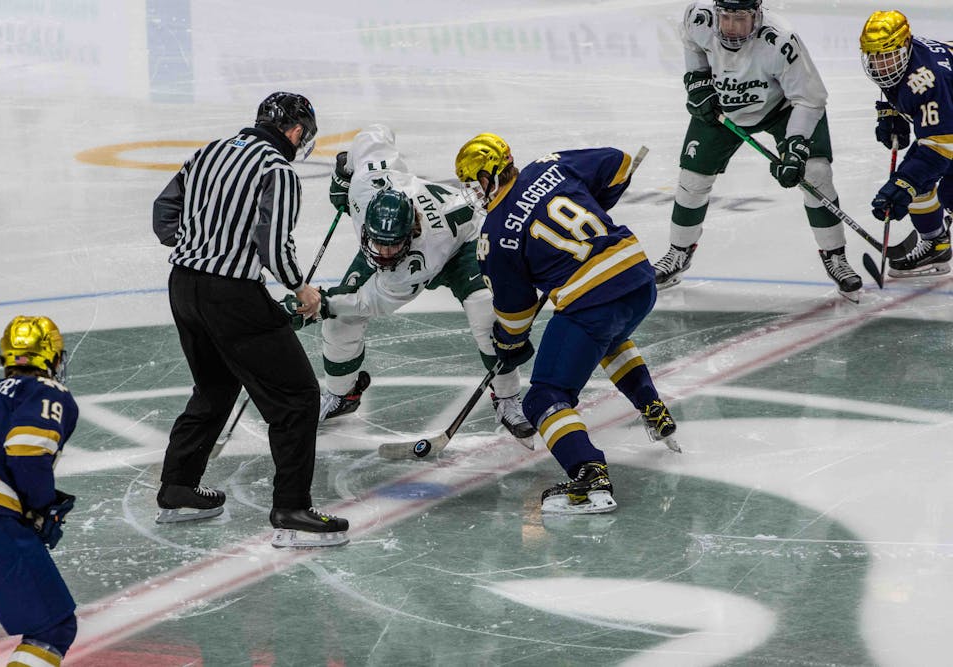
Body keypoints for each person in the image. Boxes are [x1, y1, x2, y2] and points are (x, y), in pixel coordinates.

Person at [152, 91, 348, 548]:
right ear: (295, 131)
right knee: (297, 398)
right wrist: (302, 289)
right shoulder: (277, 169)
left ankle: (178, 486)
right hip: (232, 296)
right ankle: (292, 509)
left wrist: (199, 247)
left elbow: (164, 212)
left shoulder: (209, 151)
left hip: (183, 287)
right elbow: (273, 245)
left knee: (215, 387)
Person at [452, 133, 679, 514]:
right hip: (638, 277)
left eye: (475, 182)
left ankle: (589, 476)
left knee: (544, 397)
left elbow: (516, 313)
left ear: (490, 175)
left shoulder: (495, 233)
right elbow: (619, 164)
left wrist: (507, 343)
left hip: (593, 300)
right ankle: (652, 407)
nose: (475, 191)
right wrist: (594, 200)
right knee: (607, 339)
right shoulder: (549, 166)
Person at [294, 124, 535, 442]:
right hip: (431, 227)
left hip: (465, 244)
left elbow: (370, 302)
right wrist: (346, 170)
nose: (383, 254)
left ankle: (507, 399)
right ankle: (342, 395)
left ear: (410, 234)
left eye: (393, 245)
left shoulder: (417, 262)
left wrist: (320, 304)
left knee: (486, 317)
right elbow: (375, 134)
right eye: (378, 243)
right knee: (340, 322)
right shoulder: (365, 187)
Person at [653, 0, 863, 302]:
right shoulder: (699, 19)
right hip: (723, 107)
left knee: (815, 173)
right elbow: (691, 42)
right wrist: (697, 79)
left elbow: (809, 98)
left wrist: (795, 149)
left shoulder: (780, 40)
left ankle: (836, 255)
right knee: (693, 179)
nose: (732, 28)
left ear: (758, 14)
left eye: (741, 19)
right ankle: (678, 252)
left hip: (782, 108)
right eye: (726, 17)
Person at [0, 316, 78, 666]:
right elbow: (27, 452)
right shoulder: (46, 391)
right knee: (52, 629)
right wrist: (40, 506)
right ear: (54, 357)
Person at [859, 10, 953, 278]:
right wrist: (892, 111)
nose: (881, 65)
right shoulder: (906, 58)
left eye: (887, 56)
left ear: (905, 46)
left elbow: (941, 148)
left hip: (947, 121)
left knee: (935, 186)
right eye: (874, 57)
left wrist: (904, 184)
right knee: (916, 180)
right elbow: (895, 83)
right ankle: (935, 244)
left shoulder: (928, 79)